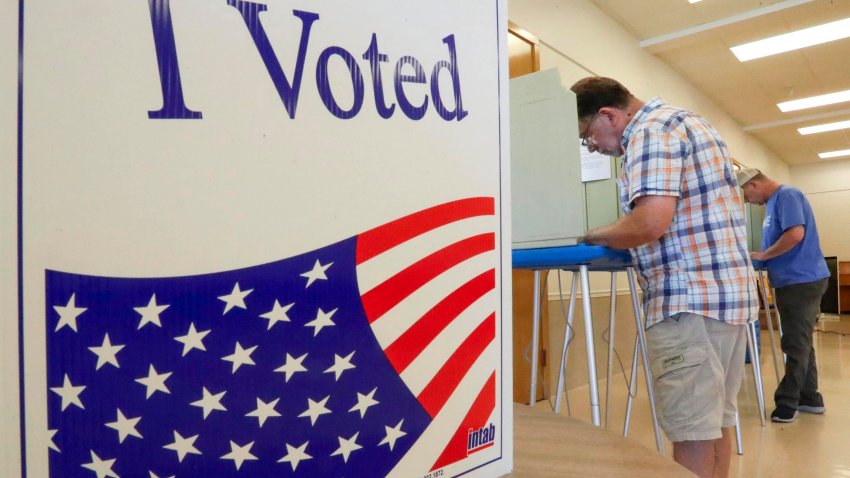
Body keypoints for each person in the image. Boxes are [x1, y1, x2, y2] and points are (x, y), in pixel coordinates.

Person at [570, 77, 758, 478]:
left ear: (609, 115)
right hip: (727, 299)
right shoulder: (689, 121)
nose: (595, 147)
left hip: (686, 301)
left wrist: (591, 234)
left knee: (691, 433)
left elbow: (650, 222)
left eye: (588, 136)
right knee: (714, 424)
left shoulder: (650, 133)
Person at [736, 167, 829, 424]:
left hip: (802, 279)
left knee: (794, 343)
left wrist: (765, 255)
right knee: (801, 342)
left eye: (745, 195)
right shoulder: (775, 202)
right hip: (793, 279)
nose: (747, 202)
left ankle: (787, 402)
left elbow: (795, 234)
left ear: (753, 184)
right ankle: (810, 398)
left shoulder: (787, 195)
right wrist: (764, 255)